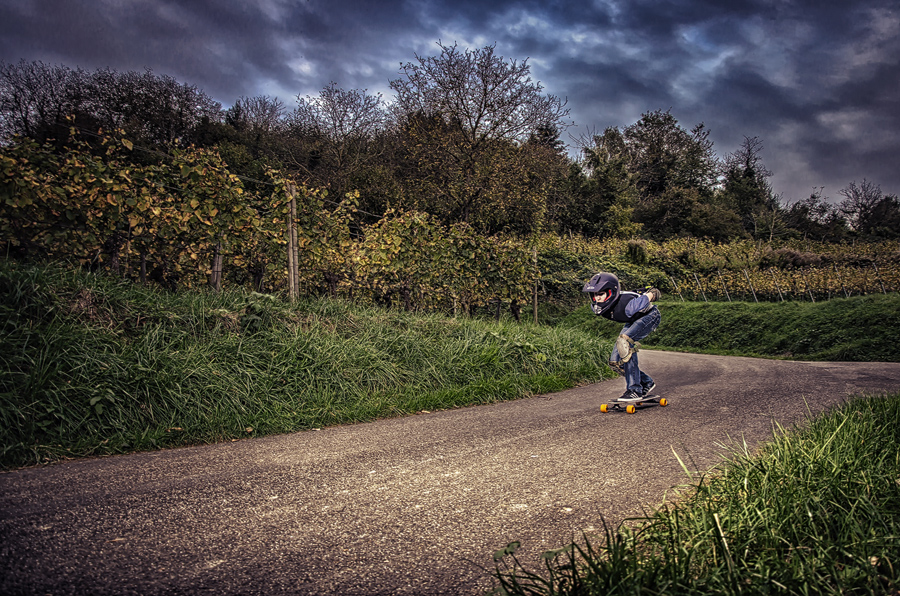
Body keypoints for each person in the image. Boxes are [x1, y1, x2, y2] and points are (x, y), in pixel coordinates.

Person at [582, 272, 661, 402]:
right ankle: (646, 382)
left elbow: (653, 293)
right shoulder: (597, 307)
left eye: (601, 294)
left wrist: (651, 293)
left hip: (650, 316)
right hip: (632, 320)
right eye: (595, 295)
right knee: (615, 361)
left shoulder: (630, 305)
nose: (597, 299)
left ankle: (634, 390)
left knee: (625, 343)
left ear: (611, 292)